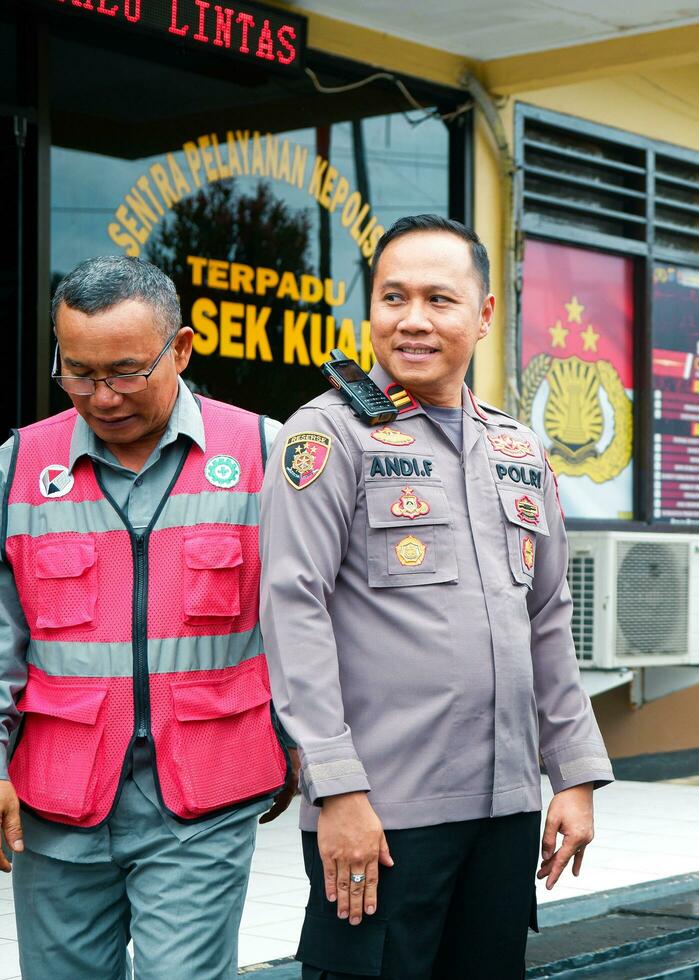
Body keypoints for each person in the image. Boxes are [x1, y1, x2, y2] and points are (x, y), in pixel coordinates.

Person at [260, 214, 613, 979]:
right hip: (384, 815)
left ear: (484, 315)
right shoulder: (327, 437)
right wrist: (338, 791)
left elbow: (548, 618)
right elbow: (294, 611)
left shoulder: (520, 449)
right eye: (393, 298)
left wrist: (575, 777)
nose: (412, 320)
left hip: (505, 813)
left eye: (438, 299)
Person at [0, 256, 294, 978]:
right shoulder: (19, 464)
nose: (102, 396)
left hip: (203, 791)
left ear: (182, 349)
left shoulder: (263, 451)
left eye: (127, 371)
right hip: (59, 793)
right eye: (78, 373)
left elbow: (308, 622)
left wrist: (311, 754)